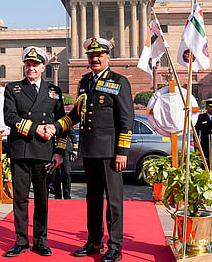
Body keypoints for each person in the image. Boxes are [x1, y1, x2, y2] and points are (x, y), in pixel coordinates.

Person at [54, 37, 134, 262]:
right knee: (93, 199)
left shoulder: (119, 81)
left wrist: (122, 152)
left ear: (108, 57)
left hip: (110, 153)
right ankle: (94, 241)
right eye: (91, 56)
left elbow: (126, 118)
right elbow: (77, 114)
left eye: (99, 55)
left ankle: (115, 247)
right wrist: (57, 126)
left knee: (114, 201)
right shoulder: (85, 82)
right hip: (90, 151)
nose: (95, 59)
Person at [3, 46, 67, 257]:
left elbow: (62, 124)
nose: (30, 68)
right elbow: (9, 118)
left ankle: (40, 241)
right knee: (20, 199)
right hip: (21, 150)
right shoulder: (13, 89)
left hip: (43, 152)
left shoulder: (54, 91)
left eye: (34, 65)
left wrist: (59, 152)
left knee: (42, 199)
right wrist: (34, 128)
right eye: (27, 65)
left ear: (43, 67)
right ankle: (21, 241)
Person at [53, 128, 78, 199]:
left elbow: (72, 134)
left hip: (65, 150)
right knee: (55, 174)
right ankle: (57, 195)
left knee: (67, 173)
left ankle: (67, 195)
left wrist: (75, 148)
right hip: (53, 150)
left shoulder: (63, 118)